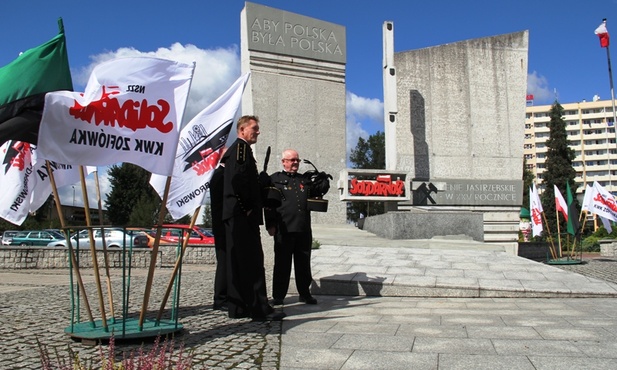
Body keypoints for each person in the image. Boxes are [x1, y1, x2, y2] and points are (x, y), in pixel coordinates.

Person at [220, 115, 284, 321]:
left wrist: (258, 183)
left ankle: (239, 308)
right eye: (254, 128)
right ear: (242, 131)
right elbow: (238, 181)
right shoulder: (241, 150)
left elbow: (242, 181)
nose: (258, 131)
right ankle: (260, 309)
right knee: (253, 262)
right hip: (242, 215)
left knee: (238, 263)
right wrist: (247, 208)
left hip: (234, 215)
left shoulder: (238, 150)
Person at [265, 149, 330, 305]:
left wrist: (322, 182)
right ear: (284, 162)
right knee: (282, 264)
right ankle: (279, 296)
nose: (295, 163)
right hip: (284, 228)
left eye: (297, 160)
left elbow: (316, 193)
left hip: (303, 228)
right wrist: (270, 224)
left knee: (303, 263)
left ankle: (305, 293)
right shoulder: (274, 179)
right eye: (292, 160)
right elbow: (268, 204)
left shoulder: (304, 180)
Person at [209, 149, 227, 311]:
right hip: (223, 226)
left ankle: (225, 296)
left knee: (227, 262)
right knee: (224, 262)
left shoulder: (221, 175)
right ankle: (220, 298)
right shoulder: (220, 176)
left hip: (224, 225)